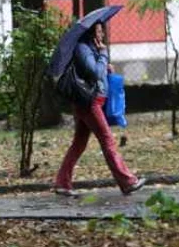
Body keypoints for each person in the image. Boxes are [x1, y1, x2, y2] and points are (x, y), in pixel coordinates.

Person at [53, 23, 146, 197]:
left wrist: (106, 67)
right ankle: (127, 182)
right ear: (91, 33)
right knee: (107, 139)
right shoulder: (82, 48)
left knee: (79, 143)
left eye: (102, 30)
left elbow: (97, 72)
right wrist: (103, 55)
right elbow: (94, 72)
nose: (102, 34)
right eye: (98, 31)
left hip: (91, 102)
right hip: (89, 103)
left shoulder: (91, 49)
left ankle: (62, 183)